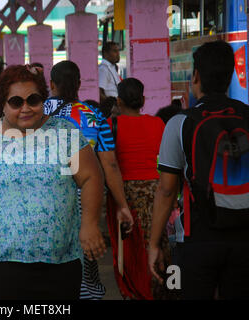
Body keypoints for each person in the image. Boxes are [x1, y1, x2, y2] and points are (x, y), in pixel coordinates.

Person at [0, 65, 107, 300]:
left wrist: (90, 224)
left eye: (33, 99)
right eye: (16, 102)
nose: (26, 108)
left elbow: (92, 177)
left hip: (59, 263)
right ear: (2, 103)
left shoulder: (65, 133)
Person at [149, 40, 249, 300]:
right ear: (229, 77)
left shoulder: (181, 122)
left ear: (195, 76)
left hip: (196, 242)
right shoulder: (247, 116)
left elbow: (166, 190)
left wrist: (154, 243)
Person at [43, 60, 133, 300]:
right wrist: (122, 204)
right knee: (86, 256)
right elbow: (110, 165)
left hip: (45, 196)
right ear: (80, 84)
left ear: (51, 84)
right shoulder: (94, 116)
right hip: (86, 197)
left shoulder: (36, 113)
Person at [106, 78, 172, 300]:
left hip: (127, 196)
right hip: (158, 191)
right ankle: (166, 289)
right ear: (143, 100)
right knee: (161, 244)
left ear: (118, 100)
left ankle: (138, 292)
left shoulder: (109, 125)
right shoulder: (158, 124)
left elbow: (108, 164)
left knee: (134, 252)